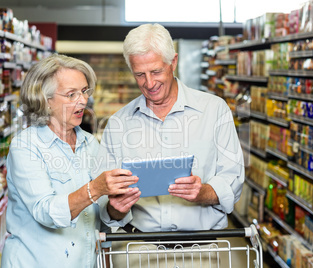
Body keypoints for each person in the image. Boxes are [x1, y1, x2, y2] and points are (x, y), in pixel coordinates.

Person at [93, 23, 245, 266]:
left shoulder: (214, 110)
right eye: (139, 74)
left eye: (156, 71)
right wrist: (116, 208)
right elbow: (104, 204)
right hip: (138, 252)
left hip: (201, 253)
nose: (149, 83)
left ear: (173, 62)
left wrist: (203, 192)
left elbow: (233, 179)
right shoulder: (118, 123)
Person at [1, 54, 138, 267]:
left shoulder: (90, 144)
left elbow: (102, 215)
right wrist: (95, 188)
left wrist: (117, 207)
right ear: (44, 100)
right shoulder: (25, 146)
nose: (83, 100)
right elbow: (45, 211)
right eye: (71, 94)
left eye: (84, 91)